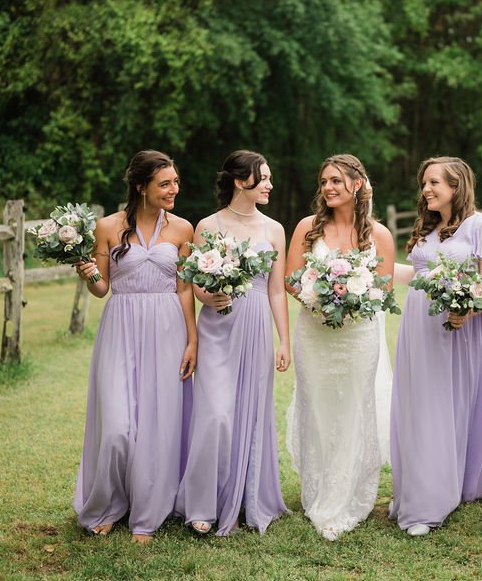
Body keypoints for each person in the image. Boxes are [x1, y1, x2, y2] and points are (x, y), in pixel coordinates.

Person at [72, 150, 197, 544]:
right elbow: (101, 289)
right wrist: (88, 274)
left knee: (158, 424)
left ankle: (147, 511)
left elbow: (184, 287)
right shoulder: (107, 227)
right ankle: (108, 503)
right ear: (141, 187)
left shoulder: (182, 229)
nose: (174, 189)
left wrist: (192, 339)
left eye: (176, 182)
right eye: (165, 183)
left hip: (167, 329)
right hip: (121, 329)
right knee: (117, 428)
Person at [388, 156, 482, 536]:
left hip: (460, 329)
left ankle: (430, 503)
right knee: (421, 404)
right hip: (418, 327)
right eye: (424, 183)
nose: (426, 190)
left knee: (445, 405)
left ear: (456, 187)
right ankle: (421, 484)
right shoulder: (430, 228)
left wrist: (465, 313)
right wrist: (369, 267)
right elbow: (418, 273)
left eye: (434, 183)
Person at [177, 150, 291, 536]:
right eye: (264, 178)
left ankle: (246, 498)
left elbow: (276, 290)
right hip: (218, 327)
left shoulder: (274, 229)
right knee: (216, 414)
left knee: (250, 413)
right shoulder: (207, 225)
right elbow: (193, 281)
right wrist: (207, 297)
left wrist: (284, 341)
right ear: (242, 182)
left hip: (257, 323)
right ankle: (202, 504)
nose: (270, 185)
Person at [284, 154, 395, 541]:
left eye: (336, 181)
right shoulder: (306, 229)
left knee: (352, 407)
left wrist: (351, 304)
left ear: (357, 185)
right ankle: (317, 489)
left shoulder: (378, 235)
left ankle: (347, 495)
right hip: (313, 333)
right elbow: (290, 281)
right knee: (317, 406)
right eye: (324, 181)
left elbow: (385, 290)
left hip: (359, 336)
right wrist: (317, 297)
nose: (328, 187)